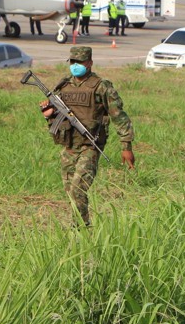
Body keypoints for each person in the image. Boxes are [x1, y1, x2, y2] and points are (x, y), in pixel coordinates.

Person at [39, 46, 135, 227]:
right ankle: (79, 227)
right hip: (68, 146)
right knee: (70, 192)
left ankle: (82, 228)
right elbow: (54, 113)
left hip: (89, 146)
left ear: (89, 63)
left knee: (78, 189)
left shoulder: (101, 87)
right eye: (72, 62)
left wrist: (126, 146)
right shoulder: (63, 85)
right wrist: (48, 112)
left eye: (80, 62)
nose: (76, 66)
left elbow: (119, 116)